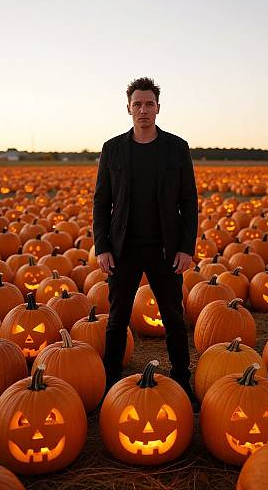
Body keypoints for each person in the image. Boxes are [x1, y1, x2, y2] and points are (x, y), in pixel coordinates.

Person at [93, 77, 199, 411]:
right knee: (117, 318)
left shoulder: (176, 148)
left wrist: (186, 247)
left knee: (173, 317)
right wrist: (103, 246)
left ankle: (182, 380)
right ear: (128, 108)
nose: (143, 110)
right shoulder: (113, 149)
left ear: (158, 108)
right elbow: (101, 201)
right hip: (123, 248)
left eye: (149, 104)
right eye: (137, 104)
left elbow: (188, 200)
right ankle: (110, 384)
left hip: (165, 248)